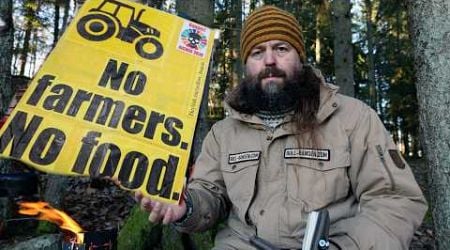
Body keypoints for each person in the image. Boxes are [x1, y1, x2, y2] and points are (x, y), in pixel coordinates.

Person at [134, 5, 427, 249]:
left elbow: (395, 200)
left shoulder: (353, 119)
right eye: (257, 52)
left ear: (300, 56)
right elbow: (209, 195)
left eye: (281, 48)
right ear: (246, 64)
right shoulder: (223, 134)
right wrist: (187, 209)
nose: (270, 60)